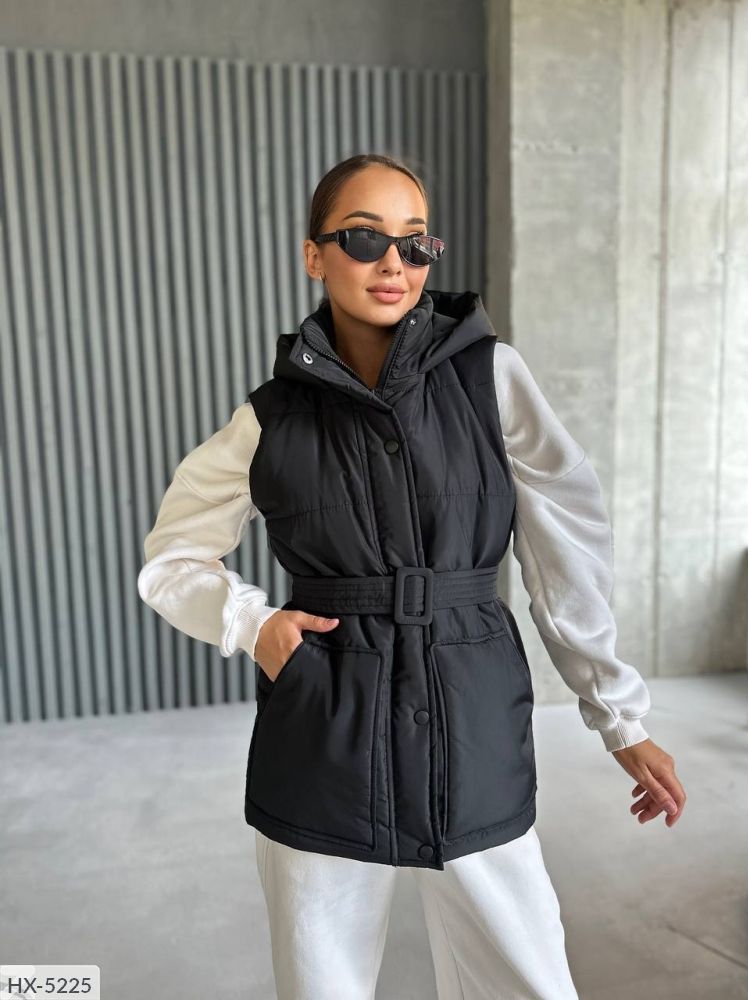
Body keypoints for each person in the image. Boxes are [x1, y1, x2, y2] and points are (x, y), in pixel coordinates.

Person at [138, 153, 686, 1000]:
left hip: (472, 713)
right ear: (314, 254)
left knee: (527, 975)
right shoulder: (271, 418)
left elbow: (565, 547)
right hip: (323, 726)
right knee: (322, 981)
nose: (394, 262)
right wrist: (252, 624)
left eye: (415, 242)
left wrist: (619, 716)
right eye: (364, 238)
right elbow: (173, 556)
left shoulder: (489, 376)